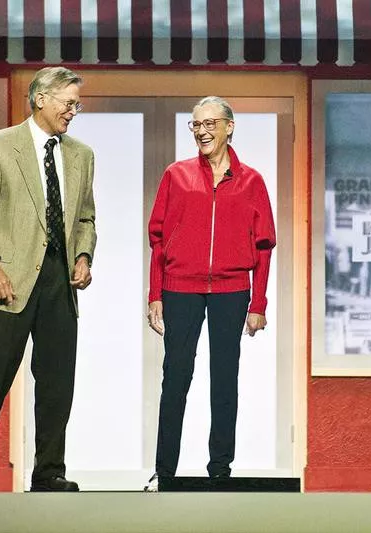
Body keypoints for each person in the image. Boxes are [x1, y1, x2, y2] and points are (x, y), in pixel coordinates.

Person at [0, 66, 96, 492]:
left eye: (76, 104)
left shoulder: (81, 156)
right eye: (68, 103)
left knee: (56, 383)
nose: (73, 111)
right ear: (41, 99)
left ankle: (50, 472)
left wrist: (84, 255)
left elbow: (85, 216)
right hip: (9, 278)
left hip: (59, 283)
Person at [145, 96, 276, 490]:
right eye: (195, 124)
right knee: (176, 377)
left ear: (229, 127)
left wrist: (259, 303)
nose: (202, 131)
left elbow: (263, 247)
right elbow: (158, 240)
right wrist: (155, 294)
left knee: (225, 379)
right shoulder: (176, 175)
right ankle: (164, 470)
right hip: (179, 289)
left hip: (232, 291)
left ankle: (220, 468)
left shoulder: (251, 181)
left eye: (209, 124)